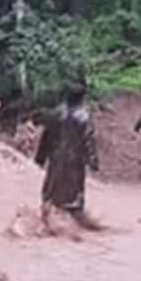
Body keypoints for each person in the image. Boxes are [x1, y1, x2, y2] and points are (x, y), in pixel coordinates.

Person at [35, 83, 99, 228]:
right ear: (82, 98)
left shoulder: (56, 114)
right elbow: (89, 140)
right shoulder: (84, 117)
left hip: (56, 157)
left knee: (52, 187)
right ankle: (73, 222)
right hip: (75, 160)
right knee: (75, 190)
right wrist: (93, 161)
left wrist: (40, 156)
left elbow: (46, 137)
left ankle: (47, 218)